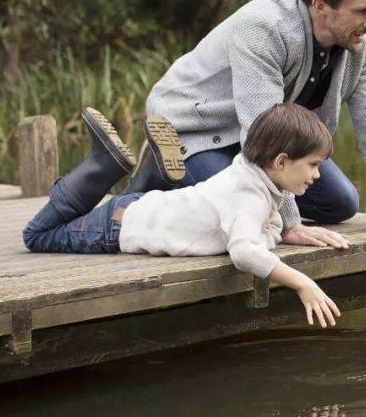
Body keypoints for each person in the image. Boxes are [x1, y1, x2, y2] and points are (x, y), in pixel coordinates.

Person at [126, 0, 366, 247]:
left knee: (341, 203)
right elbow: (262, 133)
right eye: (362, 11)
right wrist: (289, 224)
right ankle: (159, 167)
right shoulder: (265, 28)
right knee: (238, 208)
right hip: (197, 128)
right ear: (320, 6)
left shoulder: (360, 41)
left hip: (263, 139)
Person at [22, 104, 347, 327]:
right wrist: (302, 283)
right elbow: (245, 252)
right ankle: (101, 165)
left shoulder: (249, 175)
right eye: (313, 165)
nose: (317, 175)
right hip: (118, 227)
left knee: (110, 209)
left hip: (143, 207)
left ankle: (150, 171)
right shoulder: (248, 197)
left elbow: (263, 230)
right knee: (36, 235)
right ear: (280, 161)